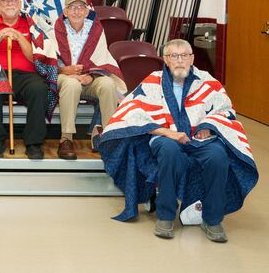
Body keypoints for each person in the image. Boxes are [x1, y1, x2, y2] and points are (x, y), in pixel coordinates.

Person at [98, 39, 258, 243]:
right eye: (174, 56)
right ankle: (165, 216)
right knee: (169, 151)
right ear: (165, 59)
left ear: (192, 58)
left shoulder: (207, 81)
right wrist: (167, 132)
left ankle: (212, 219)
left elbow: (225, 109)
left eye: (184, 55)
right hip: (165, 136)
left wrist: (207, 126)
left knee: (218, 156)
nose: (180, 60)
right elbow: (132, 113)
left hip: (199, 138)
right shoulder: (153, 82)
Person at [0, 0, 58, 159]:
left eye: (13, 0)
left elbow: (35, 57)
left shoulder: (30, 25)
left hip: (25, 75)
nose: (9, 3)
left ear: (20, 4)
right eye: (5, 0)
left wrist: (19, 38)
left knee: (39, 88)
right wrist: (0, 36)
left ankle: (33, 143)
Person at [53, 0, 125, 160]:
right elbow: (48, 61)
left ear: (87, 11)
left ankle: (109, 137)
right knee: (72, 84)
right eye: (72, 8)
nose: (77, 12)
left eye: (81, 7)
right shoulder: (55, 30)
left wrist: (91, 76)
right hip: (65, 77)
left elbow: (102, 58)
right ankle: (66, 139)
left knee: (107, 84)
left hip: (90, 77)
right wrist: (66, 71)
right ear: (65, 11)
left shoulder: (96, 31)